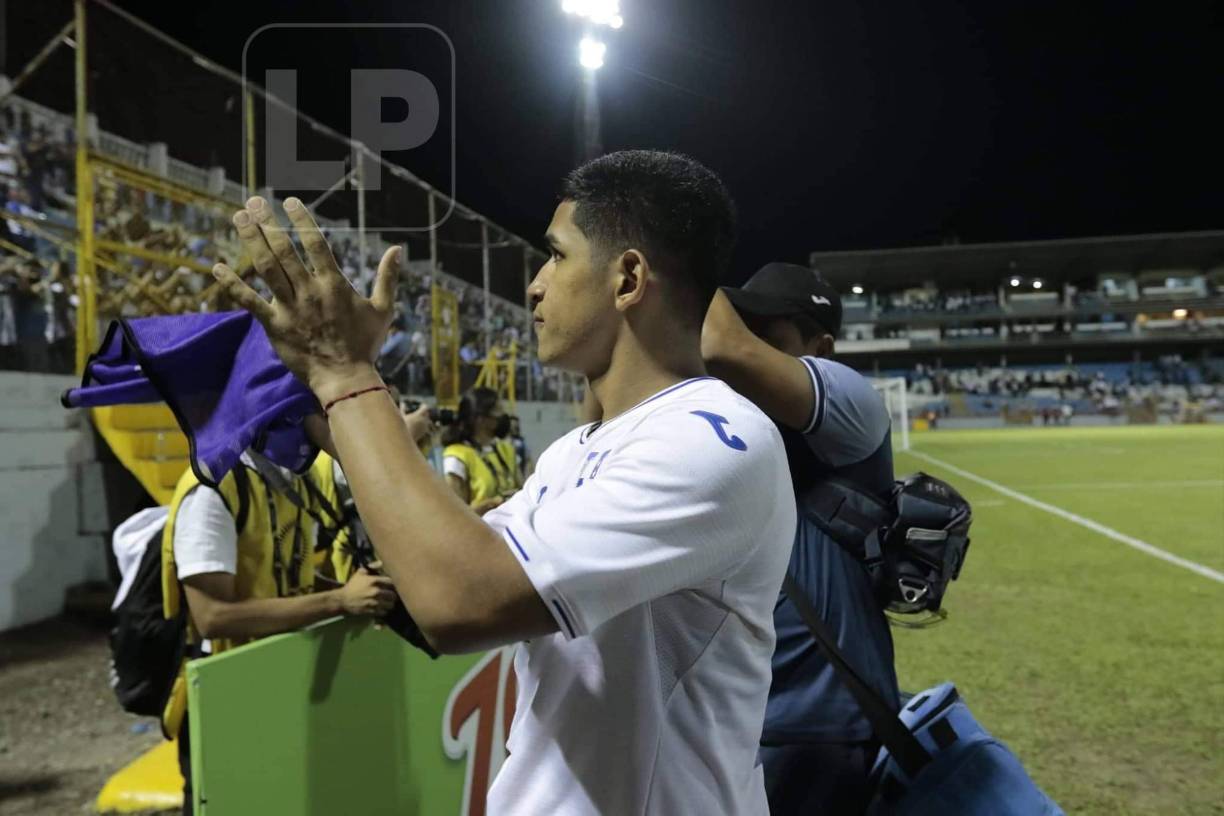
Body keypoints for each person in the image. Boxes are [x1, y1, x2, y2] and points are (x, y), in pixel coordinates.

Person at [214, 149, 795, 815]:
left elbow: (459, 601)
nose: (535, 285)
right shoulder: (574, 451)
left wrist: (346, 376)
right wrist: (376, 454)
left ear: (628, 277)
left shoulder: (713, 438)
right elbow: (427, 582)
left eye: (556, 255)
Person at [702, 262, 900, 814]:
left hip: (819, 718)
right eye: (750, 329)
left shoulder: (848, 396)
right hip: (742, 711)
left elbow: (723, 348)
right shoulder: (739, 418)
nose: (754, 347)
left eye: (772, 337)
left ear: (823, 346)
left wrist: (672, 253)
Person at [164, 451, 396, 815]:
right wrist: (338, 600)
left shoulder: (296, 480)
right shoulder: (212, 488)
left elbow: (292, 576)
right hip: (226, 698)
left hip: (280, 681)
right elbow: (212, 616)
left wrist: (353, 588)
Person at [441, 386, 521, 515]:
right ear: (480, 419)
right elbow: (454, 514)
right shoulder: (457, 456)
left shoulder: (506, 450)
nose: (503, 416)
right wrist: (492, 504)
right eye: (497, 410)